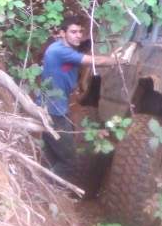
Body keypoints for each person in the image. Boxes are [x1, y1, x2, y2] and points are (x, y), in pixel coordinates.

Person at [39, 16, 116, 181]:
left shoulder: (65, 50)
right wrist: (119, 60)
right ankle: (44, 186)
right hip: (53, 111)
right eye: (73, 32)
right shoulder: (59, 50)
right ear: (62, 33)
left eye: (80, 32)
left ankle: (48, 191)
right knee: (70, 162)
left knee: (52, 154)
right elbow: (97, 61)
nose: (78, 35)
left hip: (53, 107)